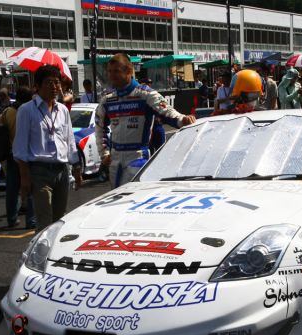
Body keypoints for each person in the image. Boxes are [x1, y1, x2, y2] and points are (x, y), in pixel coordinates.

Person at [95, 53, 195, 188]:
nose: (112, 75)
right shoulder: (107, 100)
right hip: (115, 160)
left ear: (129, 71)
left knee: (133, 199)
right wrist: (104, 153)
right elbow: (99, 127)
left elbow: (168, 113)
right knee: (116, 202)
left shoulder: (145, 94)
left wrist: (183, 119)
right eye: (109, 71)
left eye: (116, 71)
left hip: (137, 157)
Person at [13, 64, 82, 231]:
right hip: (39, 171)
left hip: (62, 170)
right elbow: (20, 146)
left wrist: (77, 167)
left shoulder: (63, 110)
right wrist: (24, 177)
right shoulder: (26, 110)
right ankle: (41, 256)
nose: (54, 87)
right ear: (37, 86)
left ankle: (54, 255)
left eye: (57, 83)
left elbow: (69, 140)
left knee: (60, 220)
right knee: (44, 221)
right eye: (49, 83)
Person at [0, 87, 36, 229]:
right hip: (28, 154)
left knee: (12, 189)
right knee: (31, 187)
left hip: (12, 154)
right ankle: (31, 220)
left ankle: (12, 219)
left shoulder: (8, 111)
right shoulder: (29, 111)